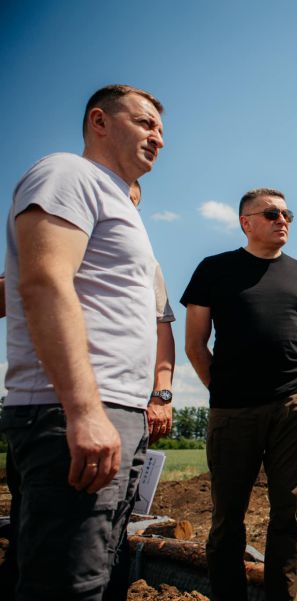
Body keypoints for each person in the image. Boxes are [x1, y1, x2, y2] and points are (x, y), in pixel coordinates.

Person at [0, 84, 165, 600]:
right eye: (145, 123)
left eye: (161, 129)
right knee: (67, 586)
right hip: (74, 410)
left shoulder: (118, 201)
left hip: (118, 409)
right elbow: (45, 283)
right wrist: (84, 411)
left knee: (98, 576)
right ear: (99, 122)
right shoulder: (68, 174)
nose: (158, 138)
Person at [182, 188, 297, 601]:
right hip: (233, 410)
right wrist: (223, 389)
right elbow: (195, 345)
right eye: (271, 213)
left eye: (287, 214)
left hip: (294, 409)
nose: (282, 220)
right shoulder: (213, 270)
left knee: (288, 514)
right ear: (245, 222)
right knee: (227, 517)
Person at [129, 180, 176, 443]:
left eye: (133, 204)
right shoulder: (54, 238)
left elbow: (162, 331)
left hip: (130, 404)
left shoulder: (148, 262)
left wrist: (162, 395)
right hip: (51, 401)